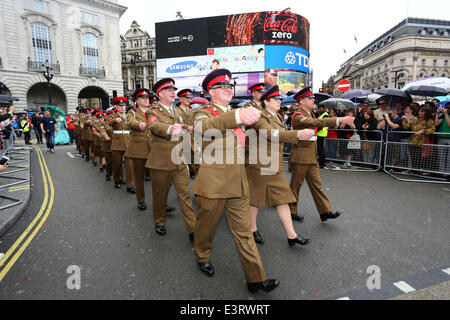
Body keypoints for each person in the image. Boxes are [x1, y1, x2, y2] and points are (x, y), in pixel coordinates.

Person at [192, 68, 279, 293]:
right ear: (211, 92)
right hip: (214, 183)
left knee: (243, 232)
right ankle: (202, 256)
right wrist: (237, 117)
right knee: (206, 226)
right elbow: (204, 129)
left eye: (230, 86)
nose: (228, 89)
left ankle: (255, 278)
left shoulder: (242, 112)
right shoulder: (203, 113)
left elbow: (268, 131)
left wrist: (298, 135)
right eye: (222, 86)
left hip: (239, 183)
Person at [246, 85, 314, 246]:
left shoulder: (276, 116)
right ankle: (252, 229)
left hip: (273, 164)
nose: (279, 101)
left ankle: (292, 235)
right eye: (276, 99)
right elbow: (269, 134)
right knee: (255, 199)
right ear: (266, 101)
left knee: (283, 198)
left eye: (279, 99)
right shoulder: (259, 116)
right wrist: (297, 134)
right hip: (260, 165)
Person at [288, 87, 355, 222]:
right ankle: (291, 211)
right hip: (300, 157)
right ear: (301, 101)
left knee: (317, 185)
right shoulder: (297, 116)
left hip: (311, 157)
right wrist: (339, 119)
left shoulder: (310, 113)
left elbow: (315, 123)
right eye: (310, 98)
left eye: (312, 98)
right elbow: (315, 123)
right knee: (295, 186)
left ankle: (325, 211)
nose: (313, 100)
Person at [146, 79, 197, 239]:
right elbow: (154, 126)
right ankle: (159, 221)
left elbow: (182, 127)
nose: (173, 92)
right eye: (169, 89)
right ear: (160, 93)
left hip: (179, 160)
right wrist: (169, 128)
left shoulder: (178, 112)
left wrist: (187, 128)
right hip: (161, 161)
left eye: (173, 89)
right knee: (160, 196)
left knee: (185, 196)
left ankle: (193, 229)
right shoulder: (152, 111)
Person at [124, 88, 152, 210]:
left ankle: (162, 202)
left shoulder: (153, 111)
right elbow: (130, 122)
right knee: (139, 177)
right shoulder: (133, 112)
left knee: (158, 178)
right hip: (139, 149)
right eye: (143, 98)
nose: (146, 100)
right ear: (138, 101)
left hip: (154, 148)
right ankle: (141, 199)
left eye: (147, 98)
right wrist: (138, 125)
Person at [108, 97, 135, 192]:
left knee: (130, 165)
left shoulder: (129, 116)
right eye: (120, 106)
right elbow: (108, 123)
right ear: (116, 107)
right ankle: (117, 180)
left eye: (123, 105)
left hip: (128, 142)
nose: (122, 108)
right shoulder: (113, 116)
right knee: (117, 164)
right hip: (117, 143)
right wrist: (115, 120)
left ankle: (130, 185)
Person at [402, 106, 435, 174]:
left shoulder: (430, 121)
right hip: (412, 142)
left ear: (426, 113)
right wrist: (404, 120)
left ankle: (419, 172)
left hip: (422, 143)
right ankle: (413, 171)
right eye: (419, 111)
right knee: (412, 158)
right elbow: (407, 126)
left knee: (420, 159)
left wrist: (423, 131)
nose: (419, 113)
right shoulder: (416, 119)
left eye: (422, 111)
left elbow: (432, 130)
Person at [435, 102, 450, 180]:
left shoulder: (445, 115)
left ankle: (448, 173)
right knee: (441, 156)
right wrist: (437, 114)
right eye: (446, 107)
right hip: (441, 138)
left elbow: (449, 124)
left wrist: (446, 114)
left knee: (449, 158)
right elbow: (436, 123)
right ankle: (441, 173)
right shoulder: (443, 115)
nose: (447, 109)